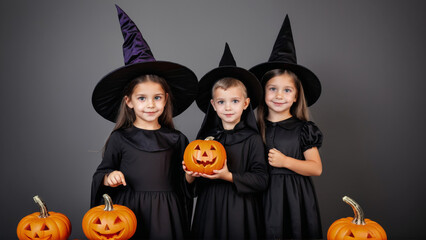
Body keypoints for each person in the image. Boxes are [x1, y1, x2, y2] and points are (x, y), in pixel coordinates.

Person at [90, 5, 198, 239]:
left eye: (157, 97)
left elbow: (185, 184)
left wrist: (191, 175)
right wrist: (109, 177)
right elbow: (103, 173)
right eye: (142, 98)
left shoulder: (177, 139)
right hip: (128, 211)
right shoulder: (120, 138)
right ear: (129, 101)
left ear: (166, 99)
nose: (150, 104)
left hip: (168, 212)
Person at [184, 43, 269, 239]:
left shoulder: (252, 139)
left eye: (235, 101)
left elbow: (261, 180)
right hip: (209, 209)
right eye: (221, 102)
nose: (228, 108)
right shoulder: (204, 140)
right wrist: (189, 176)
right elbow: (191, 188)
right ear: (213, 105)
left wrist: (228, 176)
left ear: (246, 103)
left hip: (241, 210)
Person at [250, 15, 323, 239]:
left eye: (287, 90)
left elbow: (316, 168)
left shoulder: (303, 129)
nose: (279, 95)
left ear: (296, 96)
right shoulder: (254, 127)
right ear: (262, 91)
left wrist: (285, 162)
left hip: (294, 198)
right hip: (261, 196)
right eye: (272, 89)